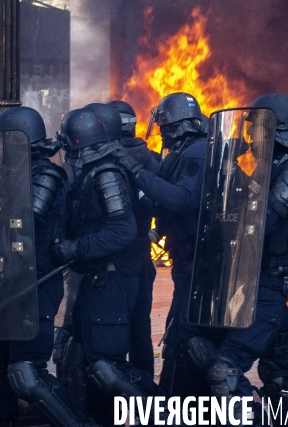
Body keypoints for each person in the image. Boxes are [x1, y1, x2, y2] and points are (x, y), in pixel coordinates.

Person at [178, 93, 288, 425]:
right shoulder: (268, 165)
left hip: (277, 285)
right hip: (255, 279)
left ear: (277, 128)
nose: (249, 136)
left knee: (225, 370)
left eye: (255, 129)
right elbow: (243, 207)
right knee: (270, 372)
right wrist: (229, 170)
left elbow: (264, 220)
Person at [0, 106, 96, 427]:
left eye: (1, 140)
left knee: (26, 374)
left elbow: (24, 223)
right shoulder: (16, 176)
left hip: (37, 285)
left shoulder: (46, 176)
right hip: (12, 284)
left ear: (20, 142)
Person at [53, 106, 161, 422]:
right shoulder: (93, 170)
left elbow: (122, 229)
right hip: (98, 279)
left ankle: (167, 414)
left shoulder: (106, 173)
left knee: (108, 366)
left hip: (111, 279)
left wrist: (76, 248)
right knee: (89, 360)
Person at [117, 92, 208, 396]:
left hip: (196, 264)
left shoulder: (196, 152)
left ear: (174, 126)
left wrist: (136, 172)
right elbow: (166, 203)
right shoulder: (185, 152)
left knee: (182, 345)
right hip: (187, 261)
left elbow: (182, 200)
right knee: (179, 342)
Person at [106, 100, 160, 377]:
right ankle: (146, 396)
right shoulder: (151, 158)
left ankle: (109, 402)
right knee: (141, 327)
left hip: (112, 261)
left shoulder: (109, 160)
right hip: (141, 256)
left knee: (110, 330)